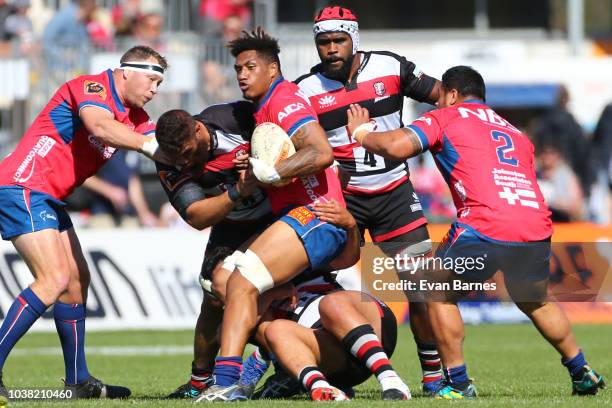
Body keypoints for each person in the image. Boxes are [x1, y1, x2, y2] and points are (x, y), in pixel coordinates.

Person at [346, 65, 606, 399]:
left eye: (441, 98)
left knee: (434, 288)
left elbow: (397, 146)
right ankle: (581, 369)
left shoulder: (448, 116)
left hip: (485, 222)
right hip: (534, 224)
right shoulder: (516, 132)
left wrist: (361, 134)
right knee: (536, 300)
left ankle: (457, 384)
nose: (438, 104)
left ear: (452, 94)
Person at [195, 27, 365, 401]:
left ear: (272, 69)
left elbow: (320, 152)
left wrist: (272, 172)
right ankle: (282, 364)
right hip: (298, 220)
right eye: (238, 68)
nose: (241, 74)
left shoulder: (285, 99)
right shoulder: (263, 108)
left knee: (241, 283)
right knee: (223, 282)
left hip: (313, 217)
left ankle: (226, 384)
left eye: (250, 66)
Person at [0, 45, 166, 399]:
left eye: (159, 83)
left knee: (76, 282)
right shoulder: (93, 87)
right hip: (23, 184)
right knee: (54, 278)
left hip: (47, 195)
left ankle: (78, 381)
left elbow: (164, 146)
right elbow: (100, 126)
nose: (154, 89)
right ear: (126, 71)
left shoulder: (137, 119)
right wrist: (150, 148)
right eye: (151, 79)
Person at [294, 5, 444, 393]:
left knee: (421, 288)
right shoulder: (305, 90)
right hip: (341, 200)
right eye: (323, 42)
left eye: (338, 40)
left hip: (395, 195)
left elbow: (446, 99)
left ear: (354, 39)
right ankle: (295, 372)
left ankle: (431, 377)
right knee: (307, 286)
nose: (330, 49)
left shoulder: (392, 68)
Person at [153, 102, 273, 399]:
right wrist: (237, 192)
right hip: (231, 225)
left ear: (198, 129)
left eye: (189, 153)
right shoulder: (169, 160)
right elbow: (196, 216)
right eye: (176, 157)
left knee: (279, 294)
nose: (185, 163)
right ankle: (199, 381)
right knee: (213, 295)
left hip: (276, 218)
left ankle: (278, 363)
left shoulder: (238, 120)